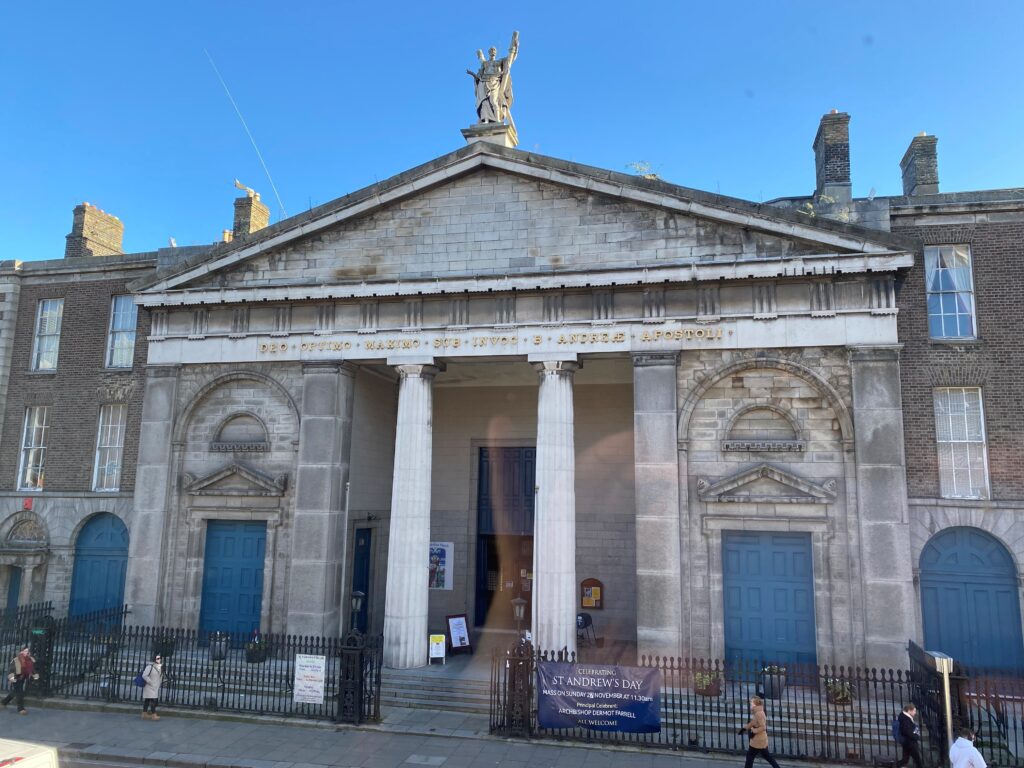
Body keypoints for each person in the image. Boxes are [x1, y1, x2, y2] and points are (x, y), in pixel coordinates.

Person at [466, 32, 519, 125]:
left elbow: (510, 59)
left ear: (496, 52)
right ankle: (484, 119)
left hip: (494, 82)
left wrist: (514, 44)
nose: (492, 51)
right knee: (484, 102)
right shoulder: (485, 64)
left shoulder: (500, 61)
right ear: (489, 52)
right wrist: (473, 74)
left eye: (494, 50)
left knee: (494, 101)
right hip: (483, 83)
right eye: (491, 50)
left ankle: (497, 119)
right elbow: (480, 73)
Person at [738, 696, 782, 768]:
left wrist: (754, 731)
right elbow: (753, 722)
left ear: (755, 704)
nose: (750, 704)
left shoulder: (759, 714)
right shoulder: (757, 712)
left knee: (750, 757)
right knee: (766, 756)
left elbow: (763, 727)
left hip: (758, 740)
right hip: (760, 740)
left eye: (752, 703)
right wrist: (744, 728)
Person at [2, 646, 39, 715]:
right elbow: (11, 670)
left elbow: (32, 669)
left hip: (22, 678)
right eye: (25, 651)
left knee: (15, 691)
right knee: (20, 692)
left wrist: (35, 675)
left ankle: (3, 703)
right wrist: (11, 678)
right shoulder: (16, 660)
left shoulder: (30, 660)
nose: (27, 652)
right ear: (21, 652)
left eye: (28, 651)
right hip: (15, 678)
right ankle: (21, 709)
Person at [896, 704, 924, 768]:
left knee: (905, 760)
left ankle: (895, 765)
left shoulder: (904, 717)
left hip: (907, 742)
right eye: (914, 711)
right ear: (909, 711)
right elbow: (907, 731)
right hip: (910, 742)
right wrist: (916, 736)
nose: (915, 713)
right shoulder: (905, 719)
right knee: (918, 760)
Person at [141, 654, 164, 720]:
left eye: (160, 659)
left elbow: (159, 676)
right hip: (150, 686)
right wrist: (151, 682)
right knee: (153, 700)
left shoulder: (159, 667)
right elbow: (144, 675)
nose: (159, 660)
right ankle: (154, 715)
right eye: (158, 658)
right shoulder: (150, 666)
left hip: (155, 686)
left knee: (147, 700)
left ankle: (144, 714)